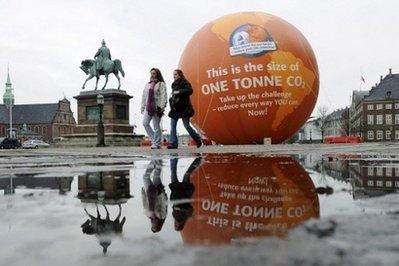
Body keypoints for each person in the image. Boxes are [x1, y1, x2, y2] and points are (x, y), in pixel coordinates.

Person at [167, 69, 202, 149]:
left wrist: (179, 92)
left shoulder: (185, 82)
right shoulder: (173, 84)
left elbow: (190, 90)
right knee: (172, 126)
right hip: (175, 108)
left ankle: (198, 139)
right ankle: (173, 144)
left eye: (175, 74)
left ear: (180, 75)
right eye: (173, 74)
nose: (174, 76)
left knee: (186, 125)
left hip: (184, 108)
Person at [169, 157, 201, 231]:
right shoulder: (187, 216)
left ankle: (173, 158)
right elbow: (190, 209)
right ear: (181, 225)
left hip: (176, 192)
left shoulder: (174, 216)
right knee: (186, 174)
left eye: (175, 225)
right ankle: (199, 159)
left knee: (173, 172)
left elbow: (174, 207)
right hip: (185, 192)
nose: (176, 224)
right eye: (177, 225)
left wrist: (174, 206)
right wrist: (180, 209)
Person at [141, 68, 167, 149]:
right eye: (151, 73)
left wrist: (162, 106)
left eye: (154, 73)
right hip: (147, 107)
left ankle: (156, 143)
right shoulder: (147, 84)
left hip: (157, 107)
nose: (152, 75)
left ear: (157, 74)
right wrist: (142, 106)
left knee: (156, 126)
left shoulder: (161, 84)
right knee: (145, 123)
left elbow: (163, 96)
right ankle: (155, 140)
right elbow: (144, 96)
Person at [141, 159, 168, 233]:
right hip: (158, 193)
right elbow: (164, 204)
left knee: (145, 177)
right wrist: (162, 193)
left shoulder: (149, 215)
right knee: (156, 175)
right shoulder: (162, 216)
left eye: (152, 226)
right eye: (155, 226)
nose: (153, 225)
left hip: (149, 193)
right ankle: (158, 160)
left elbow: (144, 204)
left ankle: (154, 160)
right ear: (158, 225)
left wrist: (143, 193)